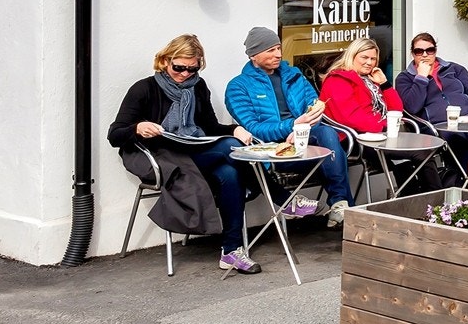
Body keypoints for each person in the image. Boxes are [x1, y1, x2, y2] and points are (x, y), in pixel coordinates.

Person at [107, 34, 262, 273]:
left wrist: (235, 128)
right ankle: (279, 196)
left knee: (230, 171)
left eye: (193, 68)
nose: (185, 74)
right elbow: (115, 135)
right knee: (228, 148)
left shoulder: (198, 87)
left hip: (195, 151)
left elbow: (210, 127)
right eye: (179, 67)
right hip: (166, 158)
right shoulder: (144, 89)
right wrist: (138, 128)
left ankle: (231, 250)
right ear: (165, 61)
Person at [224, 26, 355, 227]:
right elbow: (254, 128)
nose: (278, 54)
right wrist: (292, 126)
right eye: (270, 50)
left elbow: (315, 109)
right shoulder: (238, 86)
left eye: (278, 48)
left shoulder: (294, 75)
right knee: (330, 148)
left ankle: (339, 203)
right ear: (253, 55)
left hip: (304, 140)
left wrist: (300, 130)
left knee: (326, 131)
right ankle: (346, 209)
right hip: (275, 151)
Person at [321, 36, 442, 195]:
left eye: (373, 59)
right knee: (420, 154)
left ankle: (424, 204)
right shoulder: (338, 79)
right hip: (356, 139)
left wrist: (384, 84)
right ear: (352, 56)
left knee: (420, 154)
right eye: (364, 57)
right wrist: (384, 127)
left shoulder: (370, 79)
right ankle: (435, 204)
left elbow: (397, 110)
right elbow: (350, 117)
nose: (369, 62)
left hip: (382, 135)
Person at [394, 32, 468, 180]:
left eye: (429, 50)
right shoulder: (404, 78)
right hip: (436, 127)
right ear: (413, 54)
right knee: (458, 140)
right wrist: (421, 78)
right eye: (419, 51)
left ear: (435, 51)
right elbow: (411, 107)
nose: (425, 55)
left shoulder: (455, 69)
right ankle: (467, 181)